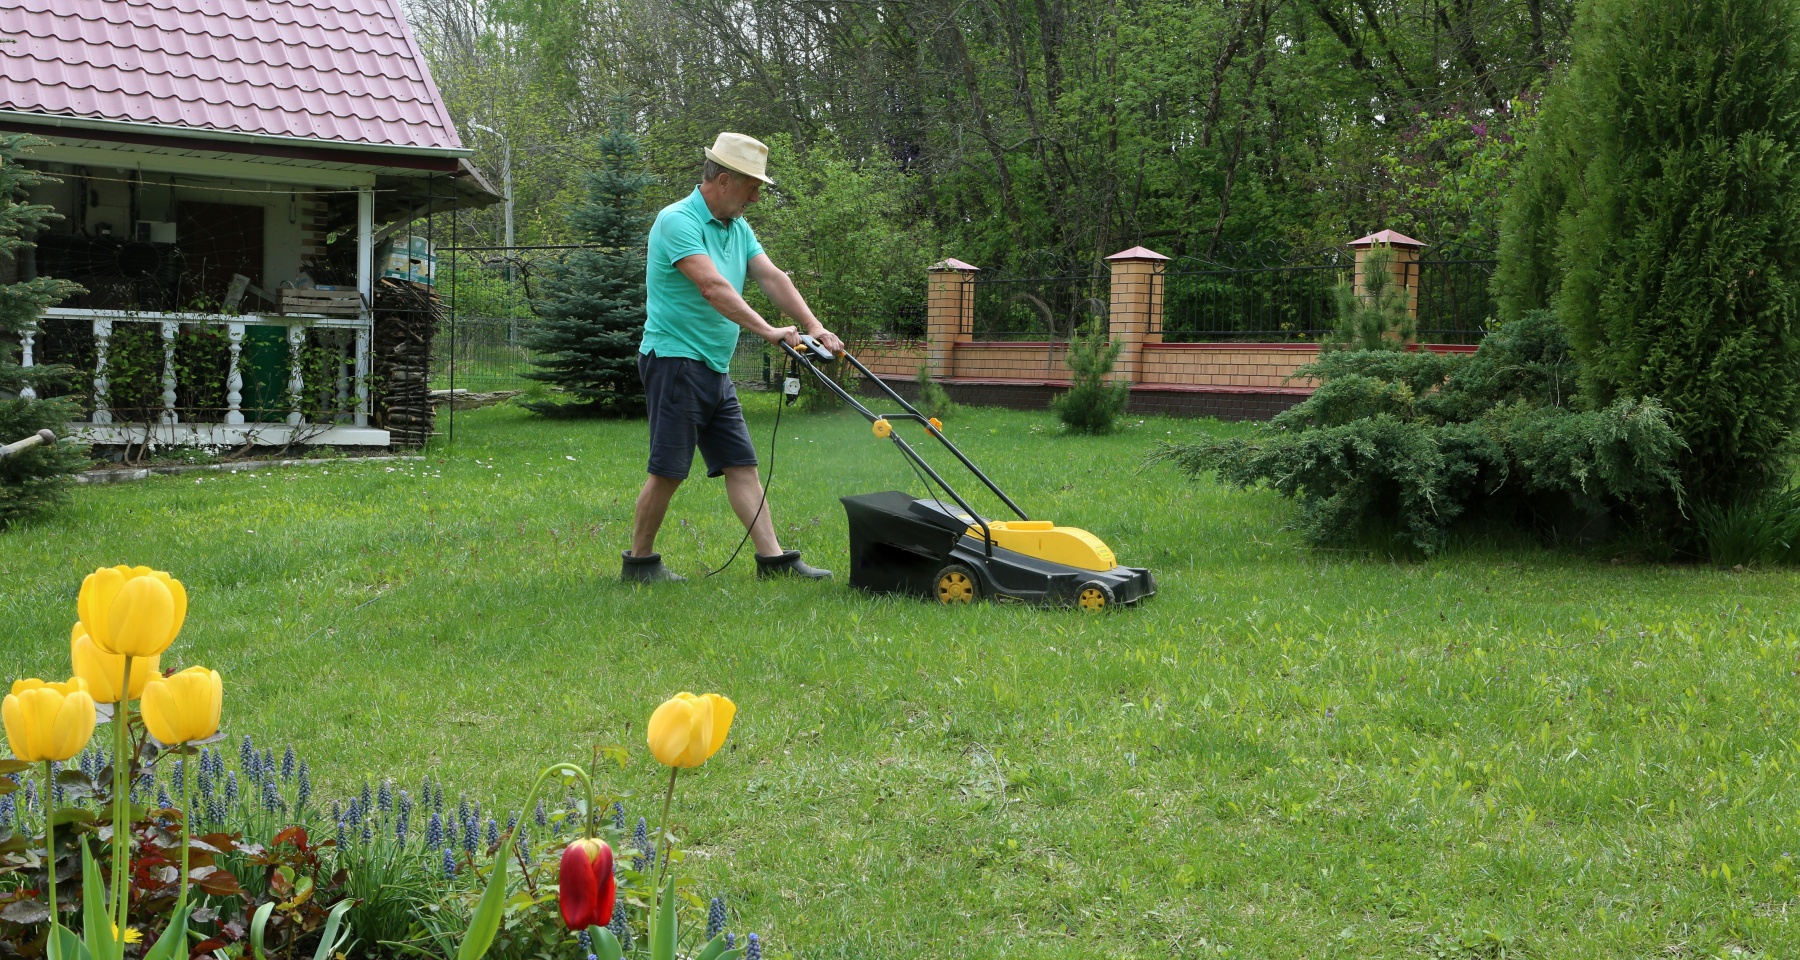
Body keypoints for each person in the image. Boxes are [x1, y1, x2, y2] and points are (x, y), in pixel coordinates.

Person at [622, 132, 845, 584]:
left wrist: (814, 325)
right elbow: (712, 287)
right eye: (751, 187)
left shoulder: (735, 226)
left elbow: (771, 276)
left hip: (713, 367)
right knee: (668, 470)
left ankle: (774, 561)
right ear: (723, 180)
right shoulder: (677, 220)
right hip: (674, 361)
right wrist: (767, 330)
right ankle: (640, 563)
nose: (757, 197)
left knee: (741, 465)